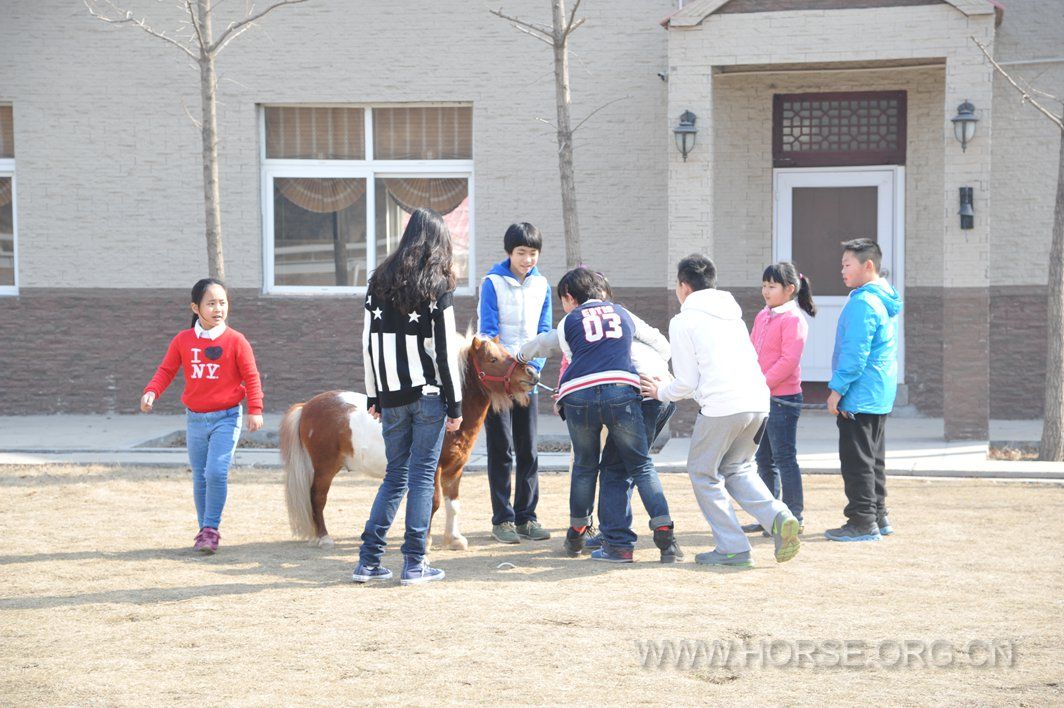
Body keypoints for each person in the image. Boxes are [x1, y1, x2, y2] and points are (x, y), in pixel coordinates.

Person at [642, 255, 800, 568]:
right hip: (757, 401)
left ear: (684, 287)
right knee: (738, 467)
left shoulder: (683, 321)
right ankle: (779, 516)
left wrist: (660, 390)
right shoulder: (733, 316)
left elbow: (686, 383)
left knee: (702, 471)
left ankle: (733, 547)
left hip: (723, 407)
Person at [520, 267, 680, 564]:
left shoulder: (569, 320)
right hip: (625, 391)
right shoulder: (622, 313)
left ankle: (577, 533)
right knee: (641, 465)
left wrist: (520, 356)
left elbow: (556, 349)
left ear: (569, 297)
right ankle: (664, 534)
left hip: (579, 396)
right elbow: (663, 345)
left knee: (584, 466)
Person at [353, 208, 464, 585]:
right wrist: (456, 404)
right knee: (420, 477)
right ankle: (415, 562)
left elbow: (368, 344)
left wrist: (374, 395)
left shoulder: (378, 282)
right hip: (429, 393)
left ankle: (368, 561)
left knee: (394, 477)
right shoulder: (439, 284)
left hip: (391, 394)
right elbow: (445, 349)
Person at [141, 278, 264, 554]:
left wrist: (255, 410)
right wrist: (152, 391)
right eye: (211, 303)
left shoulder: (236, 341)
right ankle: (204, 532)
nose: (218, 308)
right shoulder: (183, 340)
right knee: (200, 476)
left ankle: (211, 528)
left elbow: (251, 377)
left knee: (216, 472)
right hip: (196, 418)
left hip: (227, 416)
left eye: (223, 302)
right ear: (196, 308)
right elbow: (166, 371)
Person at [477, 222, 552, 544]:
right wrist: (507, 371)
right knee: (501, 449)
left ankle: (527, 517)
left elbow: (545, 330)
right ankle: (503, 519)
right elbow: (489, 331)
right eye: (521, 252)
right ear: (509, 252)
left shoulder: (543, 285)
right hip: (499, 383)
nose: (527, 259)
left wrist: (532, 367)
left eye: (533, 253)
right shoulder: (492, 282)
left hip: (527, 381)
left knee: (528, 450)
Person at [824, 238, 903, 542]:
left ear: (867, 265)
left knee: (857, 462)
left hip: (859, 394)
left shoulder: (863, 302)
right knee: (874, 460)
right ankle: (878, 516)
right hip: (878, 394)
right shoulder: (882, 298)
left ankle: (861, 521)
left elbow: (854, 355)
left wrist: (836, 390)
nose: (841, 270)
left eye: (847, 264)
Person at [742, 262, 816, 537]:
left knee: (785, 458)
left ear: (790, 289)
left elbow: (788, 361)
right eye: (763, 285)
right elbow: (751, 349)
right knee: (763, 459)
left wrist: (761, 383)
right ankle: (769, 515)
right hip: (761, 395)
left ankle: (793, 515)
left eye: (772, 286)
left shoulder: (793, 319)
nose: (765, 291)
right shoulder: (763, 315)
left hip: (783, 399)